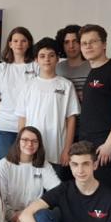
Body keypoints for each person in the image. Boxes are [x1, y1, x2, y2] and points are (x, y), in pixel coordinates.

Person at [78, 24, 111, 199]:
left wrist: (109, 144)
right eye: (84, 43)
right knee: (94, 195)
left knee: (109, 194)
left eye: (93, 42)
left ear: (104, 44)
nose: (88, 46)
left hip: (105, 146)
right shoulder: (93, 72)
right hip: (88, 143)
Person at [16, 37, 79, 176]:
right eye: (42, 56)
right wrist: (20, 146)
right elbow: (22, 118)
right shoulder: (28, 86)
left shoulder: (66, 85)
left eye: (51, 55)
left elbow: (71, 119)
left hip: (57, 149)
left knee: (55, 186)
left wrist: (67, 149)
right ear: (36, 60)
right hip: (31, 149)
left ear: (57, 59)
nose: (47, 59)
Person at [0, 127, 61, 222]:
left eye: (34, 141)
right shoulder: (4, 165)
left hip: (35, 215)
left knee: (47, 218)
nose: (30, 144)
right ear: (18, 142)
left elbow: (57, 190)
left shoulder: (43, 164)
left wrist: (30, 215)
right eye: (25, 140)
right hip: (10, 217)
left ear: (39, 144)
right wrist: (16, 219)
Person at [0, 27, 38, 160]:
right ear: (10, 44)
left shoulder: (36, 67)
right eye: (15, 41)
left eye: (23, 41)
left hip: (30, 127)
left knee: (26, 167)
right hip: (4, 128)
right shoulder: (1, 69)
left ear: (29, 43)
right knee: (5, 168)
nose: (19, 44)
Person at [55, 24, 89, 103]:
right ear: (62, 45)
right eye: (66, 42)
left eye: (75, 41)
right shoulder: (57, 68)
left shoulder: (92, 66)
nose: (71, 46)